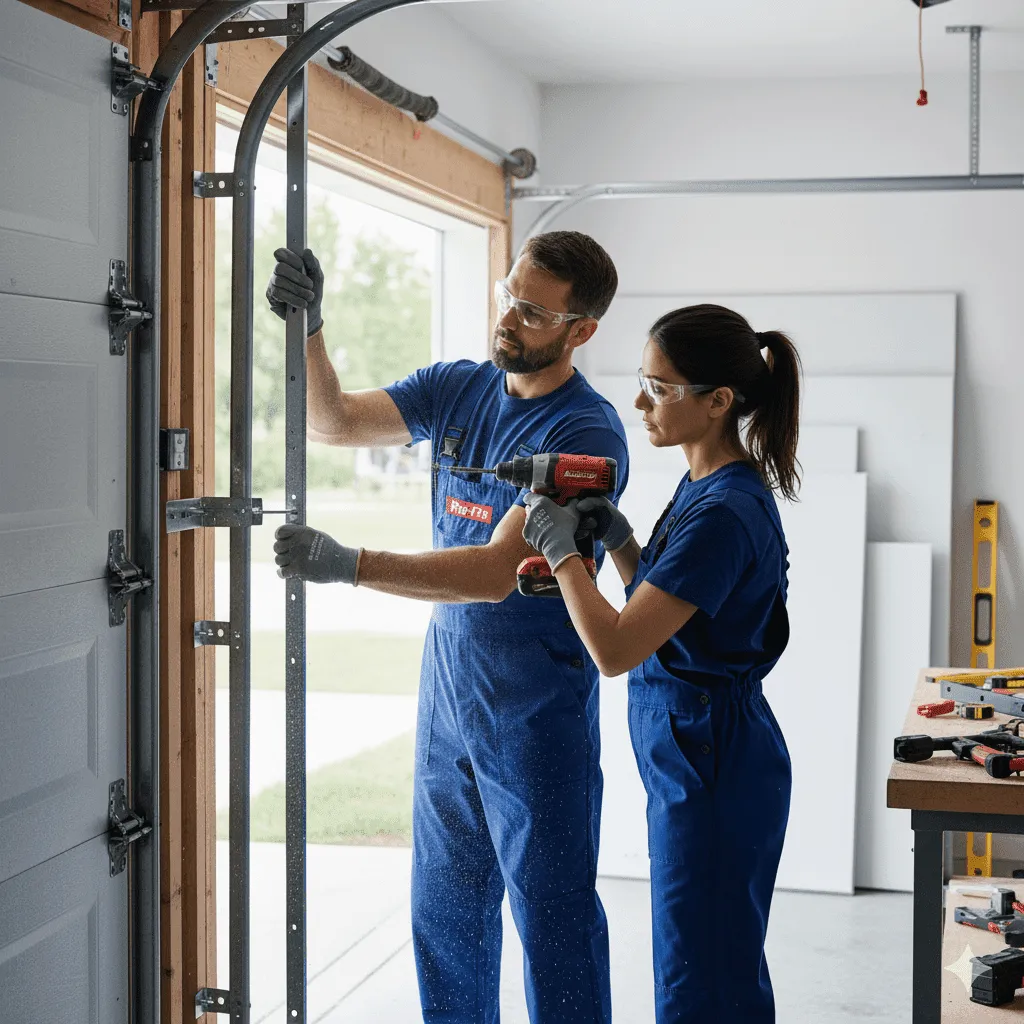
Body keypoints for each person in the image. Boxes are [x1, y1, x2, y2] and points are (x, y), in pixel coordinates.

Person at [265, 231, 628, 1024]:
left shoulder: (587, 435)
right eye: (508, 295)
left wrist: (350, 563)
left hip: (535, 712)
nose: (509, 318)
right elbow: (332, 422)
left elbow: (496, 573)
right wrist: (311, 328)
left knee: (553, 920)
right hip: (449, 701)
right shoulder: (458, 388)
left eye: (533, 312)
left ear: (580, 331)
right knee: (445, 918)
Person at [522, 303, 800, 1024]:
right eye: (644, 381)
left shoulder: (721, 512)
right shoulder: (707, 485)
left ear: (719, 402)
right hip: (701, 747)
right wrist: (616, 542)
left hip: (712, 755)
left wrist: (560, 554)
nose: (641, 403)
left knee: (702, 981)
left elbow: (616, 648)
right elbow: (668, 604)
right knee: (709, 961)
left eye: (663, 388)